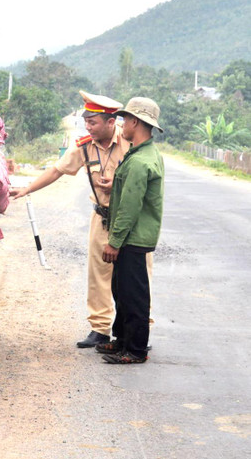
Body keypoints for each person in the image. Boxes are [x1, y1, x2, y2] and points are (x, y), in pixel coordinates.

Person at [10, 91, 131, 348]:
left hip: (130, 218)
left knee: (135, 275)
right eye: (86, 121)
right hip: (102, 218)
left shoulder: (130, 142)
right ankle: (100, 330)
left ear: (111, 122)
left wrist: (118, 187)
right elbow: (56, 170)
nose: (88, 126)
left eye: (93, 122)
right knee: (98, 275)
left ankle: (136, 330)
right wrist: (27, 189)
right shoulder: (84, 145)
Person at [96, 97, 164, 364]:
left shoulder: (139, 161)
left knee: (133, 295)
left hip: (132, 238)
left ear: (136, 122)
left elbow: (129, 207)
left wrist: (114, 241)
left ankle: (135, 350)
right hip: (132, 236)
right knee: (121, 290)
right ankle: (122, 340)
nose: (122, 124)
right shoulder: (142, 154)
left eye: (125, 119)